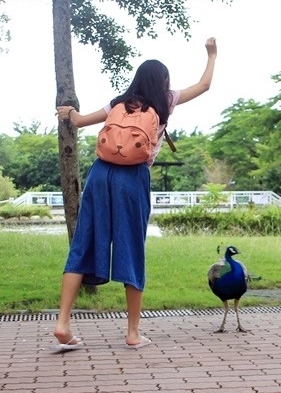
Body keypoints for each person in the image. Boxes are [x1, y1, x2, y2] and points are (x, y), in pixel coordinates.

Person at [53, 37, 218, 350]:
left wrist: (68, 110)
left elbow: (78, 121)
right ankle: (132, 333)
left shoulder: (119, 102)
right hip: (133, 178)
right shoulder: (165, 100)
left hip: (100, 175)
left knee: (83, 243)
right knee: (131, 248)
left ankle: (62, 322)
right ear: (163, 82)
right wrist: (211, 54)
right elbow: (204, 85)